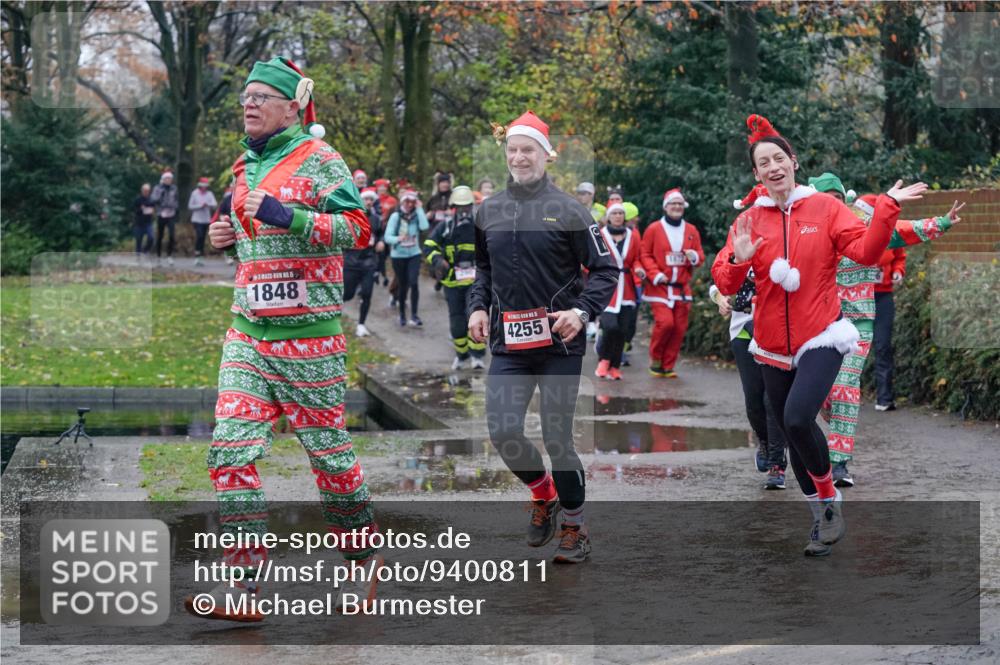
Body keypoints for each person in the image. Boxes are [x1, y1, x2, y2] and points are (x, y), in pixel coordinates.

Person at [187, 57, 379, 621]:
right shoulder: (241, 168)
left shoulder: (323, 162)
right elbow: (249, 236)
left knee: (329, 457)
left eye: (261, 97)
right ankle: (243, 587)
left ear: (293, 106)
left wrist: (287, 215)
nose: (248, 104)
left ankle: (361, 557)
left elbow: (359, 230)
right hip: (247, 333)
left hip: (310, 340)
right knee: (228, 453)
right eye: (245, 96)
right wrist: (227, 235)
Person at [712, 113, 927, 556]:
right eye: (763, 163)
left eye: (779, 158)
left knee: (795, 417)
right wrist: (738, 259)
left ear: (793, 162)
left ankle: (829, 498)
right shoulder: (751, 220)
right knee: (794, 439)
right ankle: (822, 515)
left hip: (823, 336)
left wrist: (886, 205)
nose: (773, 167)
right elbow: (727, 285)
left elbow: (867, 251)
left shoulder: (826, 208)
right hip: (770, 344)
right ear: (756, 175)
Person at [468, 110, 618, 563]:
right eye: (512, 150)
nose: (518, 157)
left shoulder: (570, 210)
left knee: (557, 438)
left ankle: (575, 527)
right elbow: (484, 268)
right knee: (503, 431)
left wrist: (581, 311)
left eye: (527, 150)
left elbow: (607, 269)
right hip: (508, 343)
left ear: (546, 155)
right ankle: (543, 493)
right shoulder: (487, 211)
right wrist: (477, 306)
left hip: (559, 342)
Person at [808, 173, 963, 487]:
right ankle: (832, 423)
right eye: (825, 201)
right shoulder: (807, 234)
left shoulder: (862, 227)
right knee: (823, 395)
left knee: (845, 387)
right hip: (818, 326)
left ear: (843, 202)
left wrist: (941, 223)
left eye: (836, 200)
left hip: (857, 323)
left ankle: (838, 463)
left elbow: (901, 230)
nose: (831, 206)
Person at [708, 277, 788, 490]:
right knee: (754, 401)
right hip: (743, 329)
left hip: (775, 325)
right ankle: (765, 442)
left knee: (772, 398)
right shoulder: (736, 245)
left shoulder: (784, 244)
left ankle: (776, 463)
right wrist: (720, 298)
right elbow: (718, 281)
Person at [640, 188, 704, 378]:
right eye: (672, 204)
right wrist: (655, 274)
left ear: (683, 207)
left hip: (682, 288)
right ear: (666, 207)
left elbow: (699, 255)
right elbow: (645, 254)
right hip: (660, 287)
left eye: (679, 204)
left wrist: (693, 256)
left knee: (679, 328)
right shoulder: (654, 229)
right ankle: (656, 359)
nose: (676, 207)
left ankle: (668, 365)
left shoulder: (691, 230)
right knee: (665, 323)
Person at [424, 185, 486, 370]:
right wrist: (437, 260)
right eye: (460, 207)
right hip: (452, 281)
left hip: (475, 282)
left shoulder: (480, 227)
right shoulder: (445, 228)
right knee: (457, 321)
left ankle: (477, 356)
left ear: (472, 206)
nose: (464, 211)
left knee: (475, 316)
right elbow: (428, 245)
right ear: (453, 208)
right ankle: (461, 355)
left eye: (467, 206)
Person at [595, 203, 644, 380]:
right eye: (614, 213)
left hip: (627, 289)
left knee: (623, 330)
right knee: (610, 326)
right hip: (607, 288)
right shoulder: (600, 235)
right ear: (608, 216)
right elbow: (591, 259)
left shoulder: (633, 236)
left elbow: (637, 259)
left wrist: (639, 270)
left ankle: (615, 367)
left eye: (620, 213)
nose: (617, 216)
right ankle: (604, 360)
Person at [384, 189, 430, 326]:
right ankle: (402, 314)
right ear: (402, 201)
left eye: (412, 202)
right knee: (403, 285)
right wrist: (398, 238)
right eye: (407, 201)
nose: (410, 204)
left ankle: (414, 316)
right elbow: (387, 237)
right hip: (398, 256)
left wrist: (420, 209)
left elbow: (425, 226)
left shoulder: (416, 215)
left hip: (414, 254)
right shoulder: (396, 216)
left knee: (414, 283)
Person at [344, 187, 384, 337]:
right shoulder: (351, 216)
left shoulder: (376, 219)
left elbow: (381, 234)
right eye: (366, 199)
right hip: (351, 261)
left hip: (368, 262)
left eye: (371, 200)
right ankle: (335, 315)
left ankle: (361, 324)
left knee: (367, 293)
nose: (368, 202)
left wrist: (381, 242)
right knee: (347, 294)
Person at [151, 170, 179, 265]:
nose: (169, 180)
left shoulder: (174, 188)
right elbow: (153, 199)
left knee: (172, 235)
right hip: (161, 214)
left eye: (170, 179)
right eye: (167, 178)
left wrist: (175, 207)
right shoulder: (158, 188)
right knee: (160, 235)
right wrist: (160, 195)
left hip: (171, 214)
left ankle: (169, 256)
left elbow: (176, 199)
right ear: (163, 179)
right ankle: (158, 256)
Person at [188, 177, 218, 266]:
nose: (204, 188)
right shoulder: (194, 193)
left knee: (203, 238)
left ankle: (200, 256)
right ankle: (197, 255)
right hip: (196, 219)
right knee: (199, 236)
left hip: (206, 220)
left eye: (206, 186)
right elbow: (190, 206)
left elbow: (214, 204)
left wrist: (207, 204)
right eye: (203, 186)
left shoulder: (209, 194)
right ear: (200, 186)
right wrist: (200, 206)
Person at [132, 183, 155, 258]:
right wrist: (141, 209)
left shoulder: (151, 199)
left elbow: (154, 208)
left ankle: (145, 250)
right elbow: (134, 210)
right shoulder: (137, 199)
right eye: (144, 190)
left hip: (148, 222)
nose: (146, 192)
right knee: (138, 239)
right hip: (139, 222)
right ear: (142, 191)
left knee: (151, 237)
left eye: (147, 191)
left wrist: (152, 211)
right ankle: (138, 254)